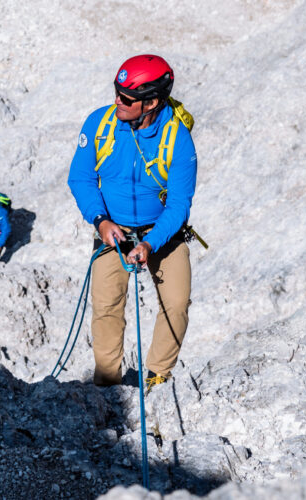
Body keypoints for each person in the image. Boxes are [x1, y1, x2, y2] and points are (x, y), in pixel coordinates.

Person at [67, 54, 197, 390]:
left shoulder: (178, 138)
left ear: (151, 102)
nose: (117, 101)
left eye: (127, 98)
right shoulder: (99, 124)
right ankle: (107, 383)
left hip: (162, 234)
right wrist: (100, 221)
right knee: (107, 306)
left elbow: (180, 204)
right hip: (113, 231)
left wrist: (150, 243)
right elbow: (80, 179)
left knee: (176, 305)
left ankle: (155, 377)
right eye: (117, 91)